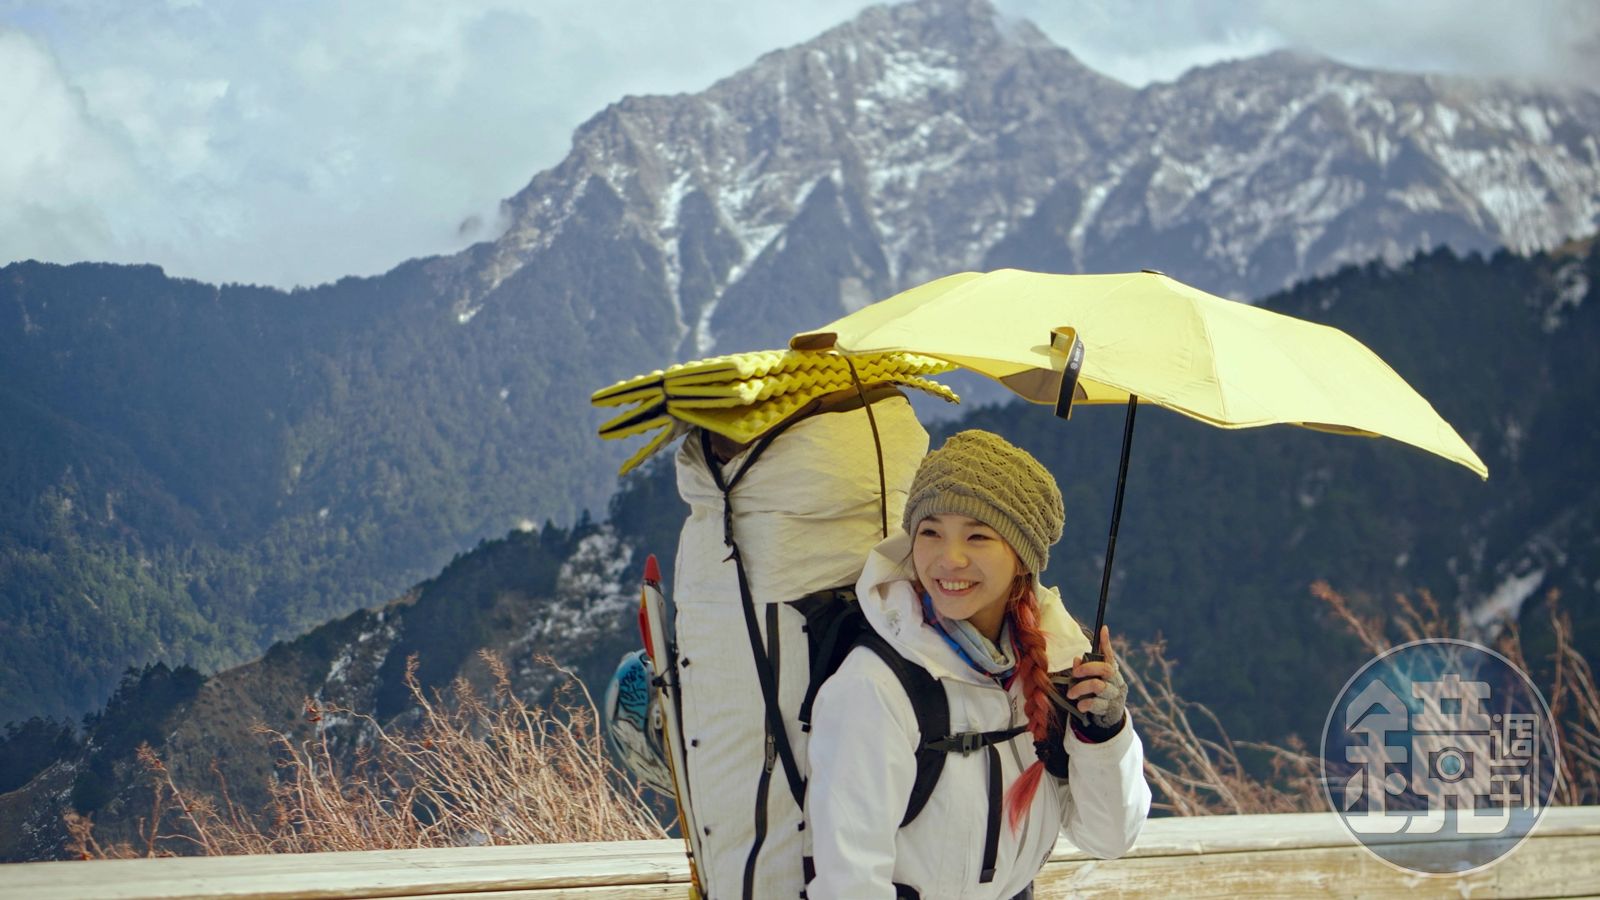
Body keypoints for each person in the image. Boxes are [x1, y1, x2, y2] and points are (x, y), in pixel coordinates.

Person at [805, 430, 1151, 899]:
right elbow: (849, 882)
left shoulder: (1047, 669)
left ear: (1022, 559)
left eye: (978, 536)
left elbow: (1108, 838)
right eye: (930, 532)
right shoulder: (876, 687)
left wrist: (1104, 734)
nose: (949, 559)